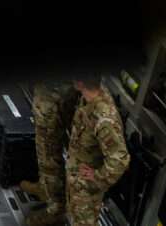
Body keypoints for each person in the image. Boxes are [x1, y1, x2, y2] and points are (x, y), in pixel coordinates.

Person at [65, 76, 130, 226]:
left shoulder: (104, 118)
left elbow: (120, 160)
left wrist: (98, 177)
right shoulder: (88, 99)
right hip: (76, 182)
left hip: (86, 190)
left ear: (80, 82)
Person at [21, 83, 79, 226]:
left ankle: (56, 209)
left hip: (56, 89)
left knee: (48, 149)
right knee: (46, 144)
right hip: (52, 88)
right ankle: (45, 187)